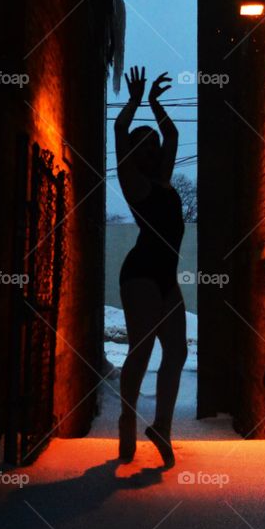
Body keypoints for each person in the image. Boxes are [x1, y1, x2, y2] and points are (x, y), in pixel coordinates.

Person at [113, 65, 187, 467]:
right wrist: (135, 103)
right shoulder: (134, 183)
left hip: (166, 277)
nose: (152, 147)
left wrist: (157, 104)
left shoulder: (164, 182)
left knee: (174, 351)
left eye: (152, 144)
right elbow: (119, 136)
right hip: (140, 273)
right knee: (140, 349)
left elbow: (172, 136)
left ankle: (161, 426)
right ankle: (127, 420)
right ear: (134, 155)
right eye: (143, 145)